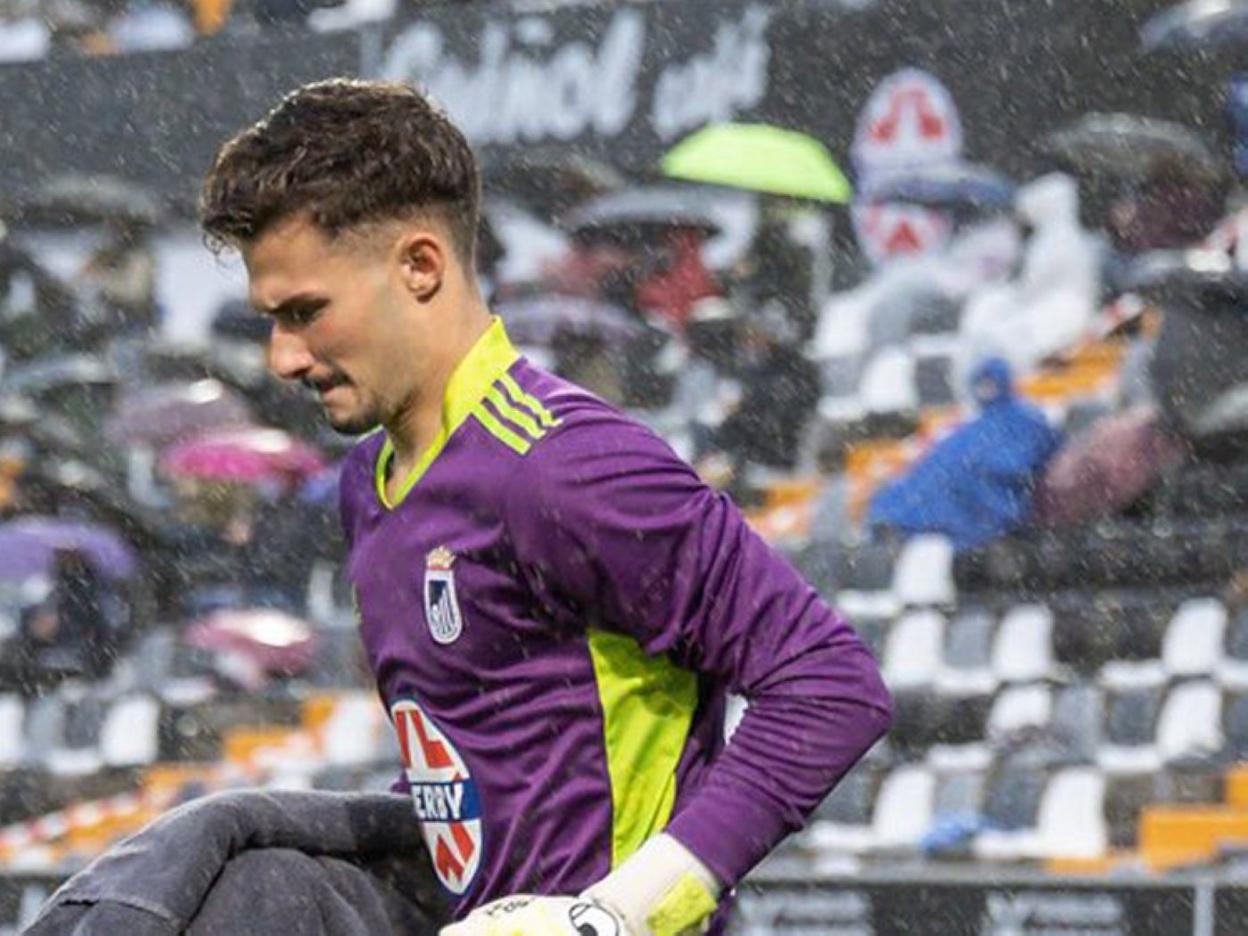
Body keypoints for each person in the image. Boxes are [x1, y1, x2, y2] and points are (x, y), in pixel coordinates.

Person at [34, 79, 891, 936]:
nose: (283, 357)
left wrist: (613, 916)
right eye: (271, 319)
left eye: (306, 313)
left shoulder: (565, 467)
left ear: (420, 266)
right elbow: (484, 779)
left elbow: (830, 684)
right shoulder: (368, 484)